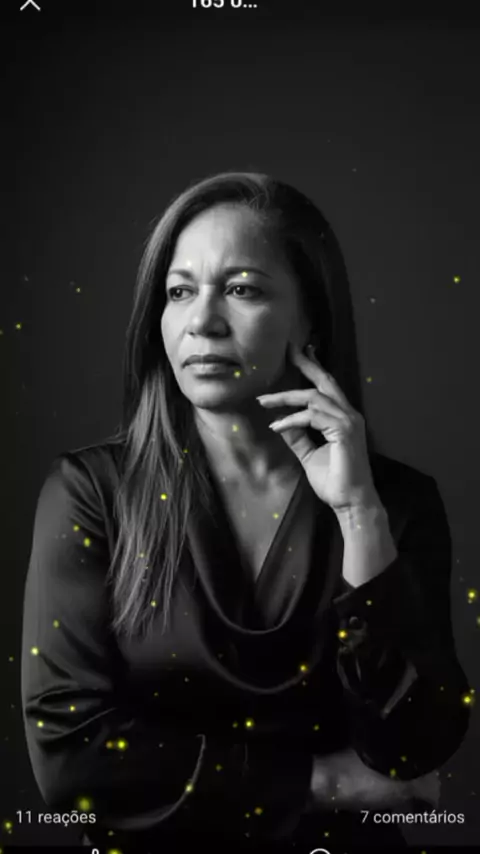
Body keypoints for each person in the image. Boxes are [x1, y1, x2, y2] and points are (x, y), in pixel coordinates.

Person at [21, 171, 471, 853]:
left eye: (241, 290)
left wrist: (358, 515)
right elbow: (71, 758)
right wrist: (323, 783)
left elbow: (413, 748)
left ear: (311, 319)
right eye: (179, 292)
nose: (201, 322)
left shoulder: (396, 502)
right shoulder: (89, 493)